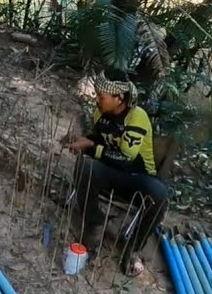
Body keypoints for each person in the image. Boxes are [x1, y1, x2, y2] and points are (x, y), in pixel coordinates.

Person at [63, 70, 169, 276]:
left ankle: (134, 246)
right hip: (109, 172)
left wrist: (91, 146)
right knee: (85, 166)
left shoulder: (137, 118)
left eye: (102, 97)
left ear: (119, 98)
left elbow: (126, 158)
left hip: (137, 178)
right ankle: (94, 222)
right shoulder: (100, 114)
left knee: (160, 195)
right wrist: (86, 141)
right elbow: (98, 139)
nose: (97, 101)